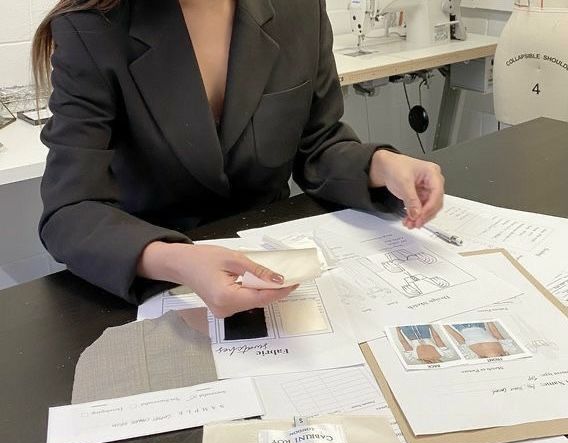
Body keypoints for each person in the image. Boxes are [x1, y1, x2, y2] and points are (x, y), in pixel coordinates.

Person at [32, 0, 445, 317]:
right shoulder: (91, 27)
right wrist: (181, 261)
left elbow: (318, 142)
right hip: (156, 282)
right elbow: (71, 209)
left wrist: (379, 167)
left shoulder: (298, 10)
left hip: (277, 273)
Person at [444, 322, 509, 359]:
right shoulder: (506, 348)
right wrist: (488, 319)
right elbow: (495, 332)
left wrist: (445, 325)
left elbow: (458, 338)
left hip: (461, 326)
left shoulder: (472, 355)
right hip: (479, 324)